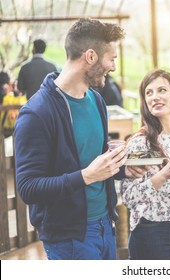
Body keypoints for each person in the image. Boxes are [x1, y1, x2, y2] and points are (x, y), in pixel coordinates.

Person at [14, 18, 127, 260]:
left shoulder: (96, 100)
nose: (113, 67)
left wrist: (126, 169)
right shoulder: (36, 113)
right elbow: (28, 188)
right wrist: (87, 176)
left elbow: (94, 160)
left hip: (106, 226)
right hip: (69, 238)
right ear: (90, 56)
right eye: (112, 58)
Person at [120, 69, 170, 260]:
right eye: (149, 93)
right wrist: (163, 175)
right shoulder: (142, 142)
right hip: (153, 231)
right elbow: (129, 197)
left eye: (161, 90)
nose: (155, 97)